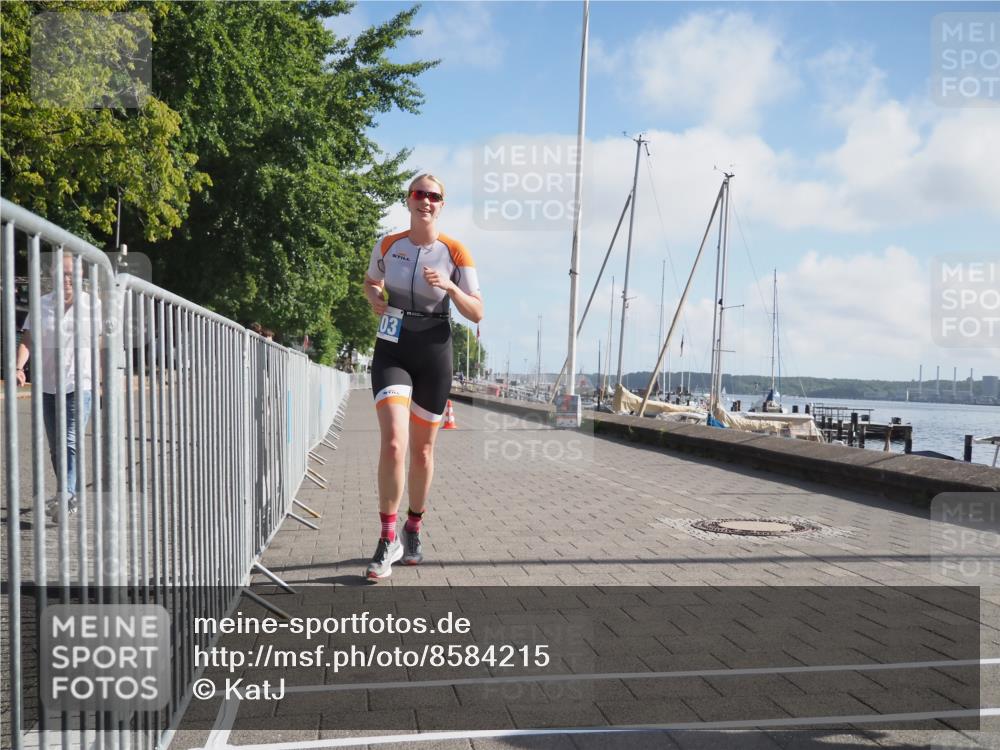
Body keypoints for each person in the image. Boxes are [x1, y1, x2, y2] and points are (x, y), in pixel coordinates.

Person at [362, 174, 484, 579]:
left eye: (433, 196)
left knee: (423, 451)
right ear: (408, 200)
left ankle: (414, 526)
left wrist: (450, 286)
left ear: (442, 204)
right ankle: (386, 537)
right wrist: (375, 298)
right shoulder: (388, 244)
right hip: (393, 346)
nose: (425, 201)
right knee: (395, 443)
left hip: (434, 347)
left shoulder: (455, 251)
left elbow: (477, 311)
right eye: (419, 194)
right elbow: (370, 282)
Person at [15, 254, 102, 519]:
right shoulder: (42, 305)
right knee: (56, 445)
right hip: (48, 384)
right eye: (61, 274)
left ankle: (66, 495)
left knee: (70, 440)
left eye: (70, 274)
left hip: (80, 382)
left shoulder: (92, 305)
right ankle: (69, 494)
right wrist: (19, 367)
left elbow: (98, 345)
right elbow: (27, 340)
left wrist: (100, 380)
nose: (65, 279)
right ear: (51, 275)